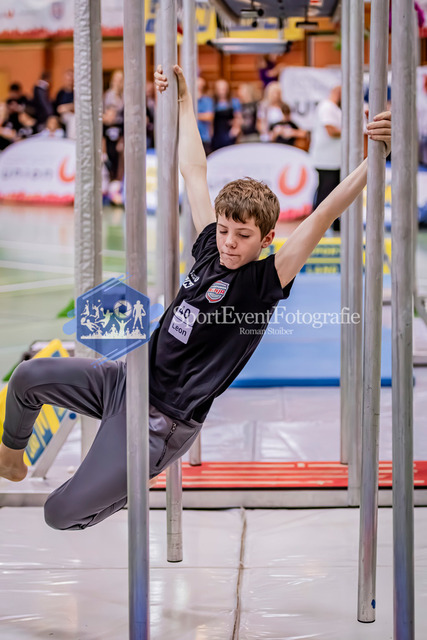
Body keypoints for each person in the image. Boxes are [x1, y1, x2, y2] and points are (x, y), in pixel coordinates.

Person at [0, 64, 391, 532]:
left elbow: (323, 214)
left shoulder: (262, 283)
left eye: (242, 236)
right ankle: (11, 457)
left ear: (266, 239)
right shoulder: (211, 247)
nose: (229, 242)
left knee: (58, 513)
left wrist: (375, 159)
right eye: (224, 230)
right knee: (28, 376)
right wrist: (185, 100)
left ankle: (122, 483)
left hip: (162, 421)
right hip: (126, 380)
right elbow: (193, 169)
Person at [309, 86, 342, 231]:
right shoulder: (327, 107)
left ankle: (330, 225)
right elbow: (331, 130)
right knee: (325, 194)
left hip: (331, 159)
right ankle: (317, 227)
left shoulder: (332, 108)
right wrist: (352, 130)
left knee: (330, 193)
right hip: (327, 160)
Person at [211, 79, 242, 152]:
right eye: (219, 89)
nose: (221, 91)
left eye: (223, 89)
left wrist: (235, 129)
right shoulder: (212, 102)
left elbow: (238, 117)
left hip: (228, 132)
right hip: (217, 133)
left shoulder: (234, 102)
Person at [54, 69, 75, 139]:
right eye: (68, 79)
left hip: (74, 115)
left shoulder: (76, 92)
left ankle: (71, 140)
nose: (70, 81)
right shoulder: (61, 93)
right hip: (63, 116)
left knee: (73, 118)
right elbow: (58, 108)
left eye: (71, 79)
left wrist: (68, 107)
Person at [197, 76, 214, 155]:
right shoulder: (189, 100)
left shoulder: (207, 100)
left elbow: (209, 116)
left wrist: (194, 116)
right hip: (190, 137)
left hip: (204, 137)